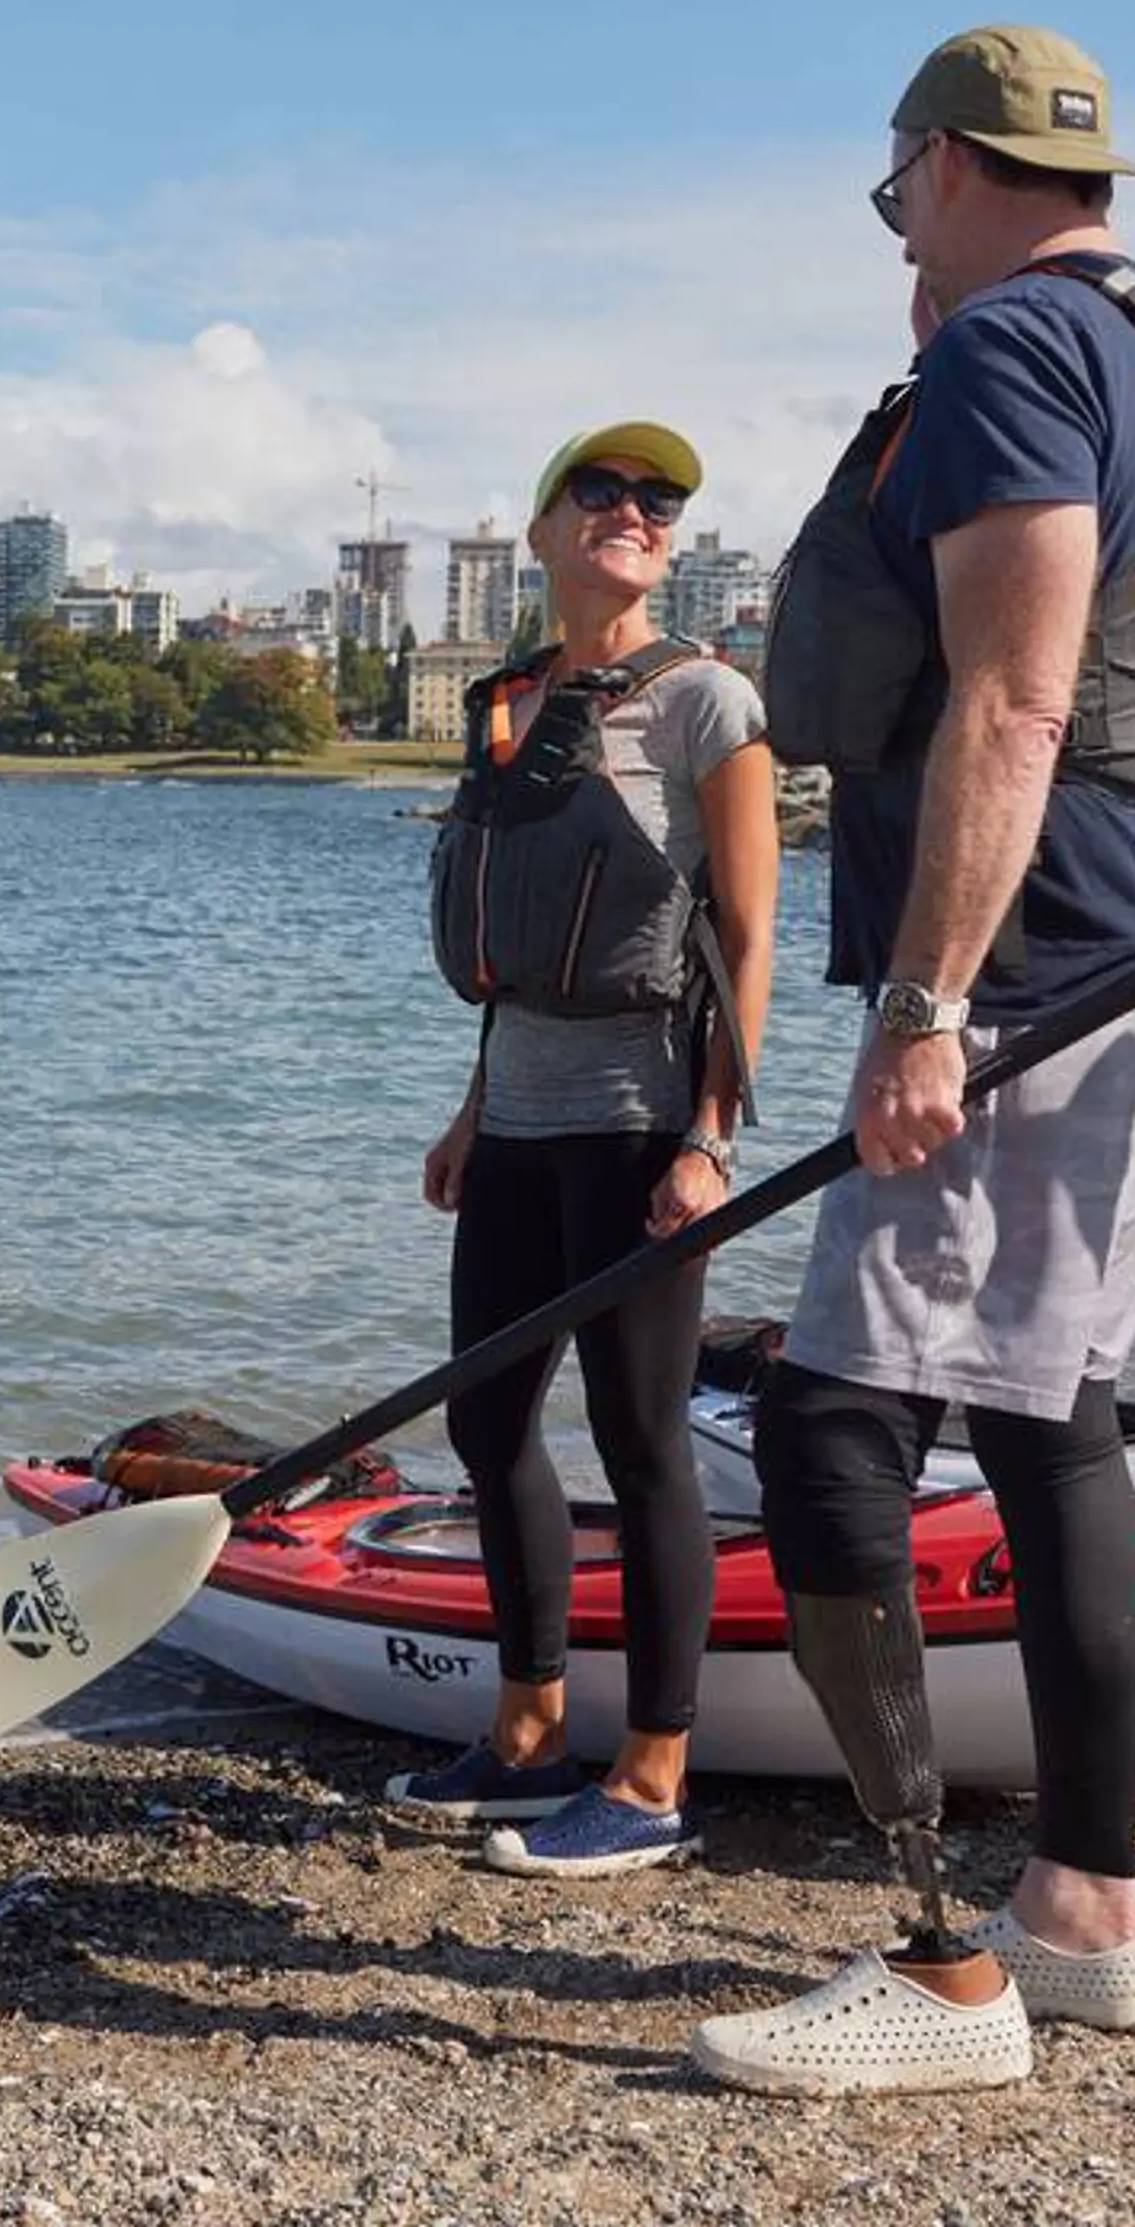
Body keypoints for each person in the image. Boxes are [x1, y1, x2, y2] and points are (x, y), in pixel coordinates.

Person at [688, 23, 1135, 2093]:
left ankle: (941, 1966)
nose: (893, 240)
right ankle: (1090, 1908)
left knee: (841, 1418)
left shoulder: (1015, 351)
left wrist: (926, 1006)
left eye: (889, 196)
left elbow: (1016, 699)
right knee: (1049, 1418)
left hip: (1026, 971)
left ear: (944, 161)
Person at [384, 420, 779, 1879]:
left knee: (642, 1439)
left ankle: (655, 1776)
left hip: (638, 1131)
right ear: (544, 528)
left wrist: (712, 1138)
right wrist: (475, 1108)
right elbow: (511, 937)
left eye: (657, 500)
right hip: (520, 1125)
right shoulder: (504, 705)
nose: (632, 511)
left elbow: (748, 939)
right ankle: (528, 1736)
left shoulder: (708, 705)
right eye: (600, 491)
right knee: (489, 1431)